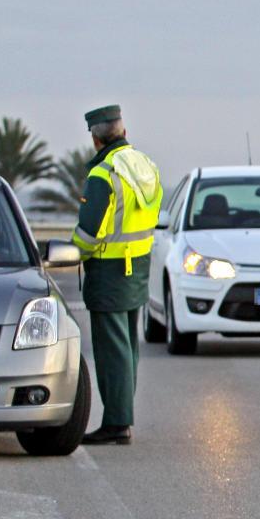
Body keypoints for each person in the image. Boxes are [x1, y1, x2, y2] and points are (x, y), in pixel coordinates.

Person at [70, 105, 164, 445]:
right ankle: (121, 418)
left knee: (112, 352)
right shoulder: (144, 165)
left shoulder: (103, 174)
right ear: (122, 132)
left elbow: (89, 232)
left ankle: (116, 423)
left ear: (95, 137)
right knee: (128, 349)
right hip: (137, 267)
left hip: (109, 270)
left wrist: (72, 252)